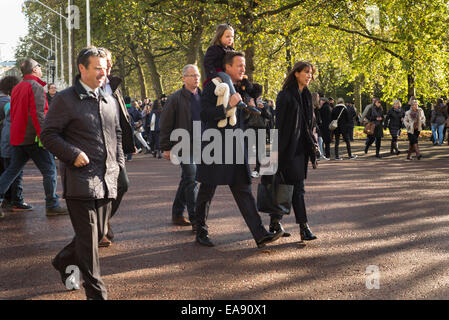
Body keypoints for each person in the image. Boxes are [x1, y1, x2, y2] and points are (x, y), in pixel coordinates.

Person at [41, 46, 124, 300]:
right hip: (81, 181)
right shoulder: (65, 99)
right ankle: (97, 293)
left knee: (96, 234)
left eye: (104, 68)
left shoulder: (109, 99)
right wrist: (72, 153)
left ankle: (64, 260)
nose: (103, 73)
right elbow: (48, 135)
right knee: (89, 244)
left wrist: (119, 164)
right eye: (97, 68)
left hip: (108, 179)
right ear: (82, 69)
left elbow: (117, 134)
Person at [195, 51, 282, 248]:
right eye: (240, 65)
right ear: (227, 67)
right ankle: (200, 229)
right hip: (215, 144)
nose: (244, 69)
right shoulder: (212, 85)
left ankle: (260, 234)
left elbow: (246, 120)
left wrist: (252, 106)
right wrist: (228, 107)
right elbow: (205, 114)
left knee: (243, 187)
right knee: (207, 189)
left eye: (244, 65)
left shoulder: (241, 89)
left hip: (235, 144)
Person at [0, 58, 67, 216]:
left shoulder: (17, 88)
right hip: (33, 138)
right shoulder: (36, 87)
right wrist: (44, 137)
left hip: (18, 137)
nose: (41, 68)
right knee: (49, 170)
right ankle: (52, 204)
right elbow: (39, 114)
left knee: (12, 171)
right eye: (39, 66)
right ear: (34, 70)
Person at [269, 61, 318, 241]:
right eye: (306, 72)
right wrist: (278, 153)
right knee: (298, 188)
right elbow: (279, 126)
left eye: (311, 73)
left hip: (302, 148)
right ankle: (303, 227)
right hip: (288, 148)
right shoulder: (285, 95)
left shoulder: (306, 95)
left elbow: (309, 123)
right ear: (296, 73)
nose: (309, 76)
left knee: (288, 186)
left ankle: (275, 221)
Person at [99, 48, 136, 247]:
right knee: (100, 190)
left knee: (122, 184)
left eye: (111, 61)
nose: (110, 64)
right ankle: (98, 228)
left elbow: (122, 117)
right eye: (106, 61)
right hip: (94, 146)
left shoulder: (114, 85)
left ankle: (102, 221)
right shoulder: (84, 87)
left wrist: (129, 143)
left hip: (115, 145)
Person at [160, 64, 201, 228]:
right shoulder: (175, 98)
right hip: (182, 145)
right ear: (184, 78)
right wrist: (166, 147)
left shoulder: (204, 97)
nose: (196, 78)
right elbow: (165, 123)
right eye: (192, 75)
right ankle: (196, 219)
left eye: (197, 75)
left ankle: (177, 213)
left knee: (187, 179)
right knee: (192, 179)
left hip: (201, 146)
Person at [203, 24, 259, 114]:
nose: (230, 39)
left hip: (227, 72)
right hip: (218, 71)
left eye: (232, 37)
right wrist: (213, 76)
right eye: (227, 36)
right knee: (226, 77)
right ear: (219, 37)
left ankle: (249, 102)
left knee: (244, 81)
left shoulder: (231, 50)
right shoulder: (214, 49)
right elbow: (207, 63)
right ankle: (235, 97)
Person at [0, 76, 32, 215]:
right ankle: (16, 200)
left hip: (3, 143)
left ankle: (8, 198)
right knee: (15, 172)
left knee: (6, 170)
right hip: (10, 141)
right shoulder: (8, 102)